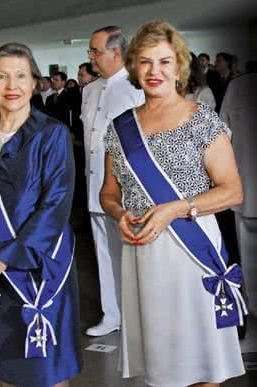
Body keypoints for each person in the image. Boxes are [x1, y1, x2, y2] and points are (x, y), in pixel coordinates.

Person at [101, 21, 246, 387]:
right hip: (144, 252)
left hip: (192, 248)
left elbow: (231, 191)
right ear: (134, 66)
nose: (155, 71)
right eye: (146, 62)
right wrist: (118, 214)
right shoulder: (119, 127)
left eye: (164, 62)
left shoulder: (201, 120)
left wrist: (174, 208)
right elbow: (108, 193)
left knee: (203, 363)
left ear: (179, 66)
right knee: (161, 366)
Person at [0, 43, 81, 387]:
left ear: (35, 82)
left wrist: (0, 261)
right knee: (9, 367)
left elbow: (55, 208)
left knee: (46, 370)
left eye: (21, 76)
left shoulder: (52, 134)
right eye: (3, 76)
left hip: (41, 267)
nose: (12, 85)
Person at [81, 25, 144, 337]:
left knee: (132, 255)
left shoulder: (135, 88)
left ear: (117, 52)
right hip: (95, 187)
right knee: (103, 253)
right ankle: (112, 314)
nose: (91, 57)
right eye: (91, 51)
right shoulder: (89, 91)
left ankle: (138, 317)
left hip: (126, 192)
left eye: (96, 51)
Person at [220, 71, 257, 316]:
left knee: (249, 254)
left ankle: (253, 306)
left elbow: (223, 132)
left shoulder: (237, 86)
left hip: (246, 188)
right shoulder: (237, 86)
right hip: (243, 189)